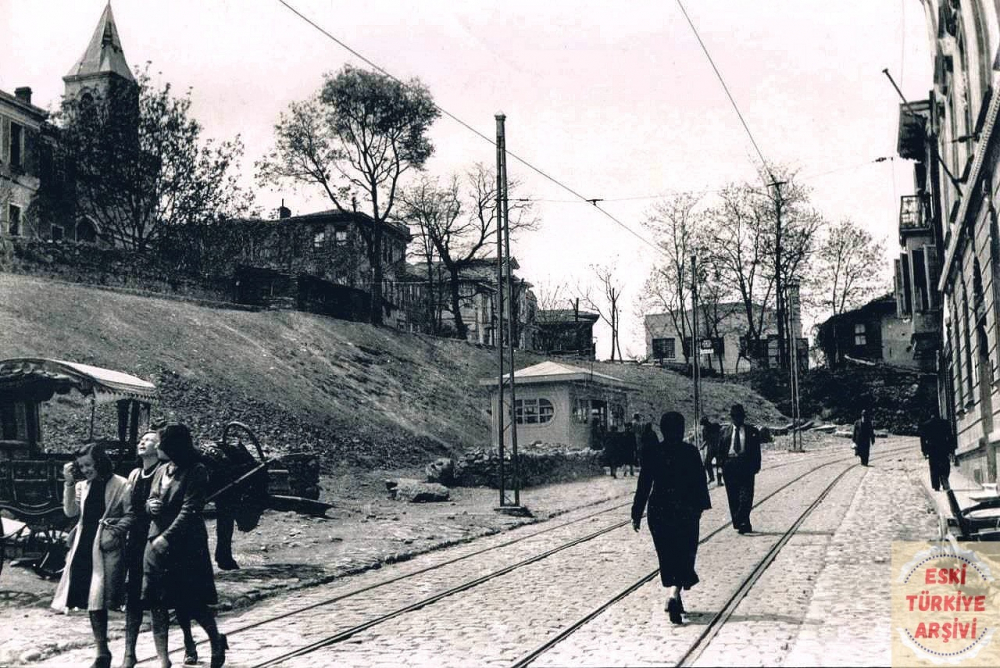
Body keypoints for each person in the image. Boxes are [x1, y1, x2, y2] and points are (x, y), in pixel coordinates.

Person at [143, 423, 228, 668]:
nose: (157, 445)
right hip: (157, 542)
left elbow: (190, 510)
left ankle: (215, 639)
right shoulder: (162, 470)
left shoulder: (196, 471)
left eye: (161, 442)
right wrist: (152, 505)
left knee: (191, 601)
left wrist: (167, 537)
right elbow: (151, 497)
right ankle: (165, 659)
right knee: (159, 600)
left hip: (185, 545)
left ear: (174, 446)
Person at [121, 430, 197, 668]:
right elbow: (129, 509)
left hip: (163, 541)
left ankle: (176, 651)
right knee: (134, 598)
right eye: (140, 439)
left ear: (161, 447)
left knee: (166, 599)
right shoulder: (134, 475)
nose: (142, 442)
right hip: (138, 542)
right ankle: (129, 655)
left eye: (150, 440)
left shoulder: (167, 472)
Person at [52, 443, 132, 668]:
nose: (85, 470)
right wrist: (68, 483)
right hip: (84, 545)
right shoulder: (82, 486)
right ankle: (102, 651)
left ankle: (122, 651)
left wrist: (115, 532)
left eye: (88, 464)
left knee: (102, 597)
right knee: (91, 599)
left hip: (106, 546)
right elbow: (71, 512)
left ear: (100, 461)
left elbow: (131, 515)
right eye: (81, 466)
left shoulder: (121, 484)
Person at [631, 411, 711, 624]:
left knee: (667, 555)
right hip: (686, 511)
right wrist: (700, 508)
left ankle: (674, 594)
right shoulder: (691, 452)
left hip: (659, 512)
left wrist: (636, 514)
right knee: (685, 554)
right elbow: (700, 483)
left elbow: (644, 486)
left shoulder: (652, 452)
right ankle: (674, 594)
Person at [720, 403, 762, 534]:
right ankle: (743, 523)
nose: (737, 419)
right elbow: (720, 451)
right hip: (730, 466)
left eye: (739, 416)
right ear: (731, 418)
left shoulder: (752, 431)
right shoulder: (724, 432)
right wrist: (723, 466)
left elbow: (757, 451)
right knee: (733, 497)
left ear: (743, 417)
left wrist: (756, 466)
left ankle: (741, 520)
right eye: (735, 417)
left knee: (746, 497)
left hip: (746, 466)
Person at [920, 413, 957, 491]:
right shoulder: (944, 423)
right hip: (943, 447)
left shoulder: (926, 425)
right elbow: (950, 436)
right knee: (945, 465)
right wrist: (951, 449)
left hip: (932, 449)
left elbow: (923, 440)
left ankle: (936, 485)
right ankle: (944, 478)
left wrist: (924, 451)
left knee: (934, 467)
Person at [700, 417, 724, 485]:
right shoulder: (704, 430)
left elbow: (722, 433)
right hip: (711, 449)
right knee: (707, 463)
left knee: (719, 465)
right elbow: (705, 440)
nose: (704, 425)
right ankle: (712, 478)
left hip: (718, 449)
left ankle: (719, 481)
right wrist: (702, 446)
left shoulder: (715, 426)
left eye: (704, 424)